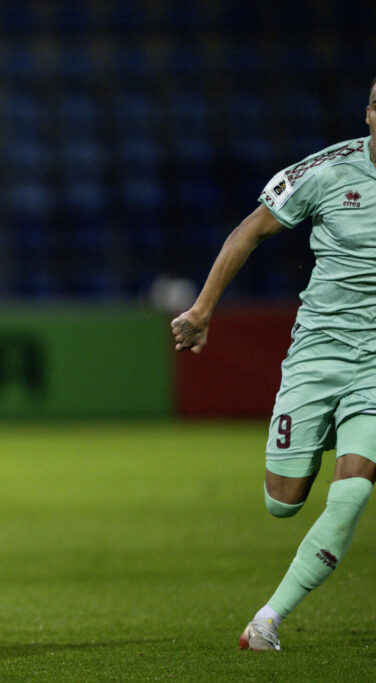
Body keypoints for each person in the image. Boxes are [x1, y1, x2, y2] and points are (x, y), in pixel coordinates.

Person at [171, 77, 376, 651]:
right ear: (368, 113)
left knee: (354, 491)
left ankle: (267, 620)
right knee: (282, 502)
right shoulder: (325, 171)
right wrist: (203, 310)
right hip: (318, 354)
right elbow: (250, 230)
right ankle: (336, 428)